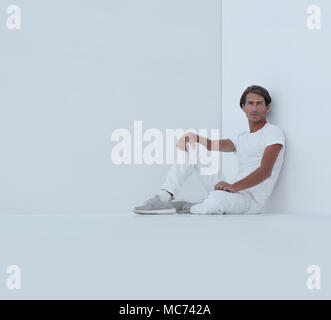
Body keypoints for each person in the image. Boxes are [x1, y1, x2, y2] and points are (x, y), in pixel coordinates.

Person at [133, 85, 286, 215]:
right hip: (231, 191)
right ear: (243, 107)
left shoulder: (273, 132)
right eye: (250, 103)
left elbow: (266, 170)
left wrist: (233, 187)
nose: (254, 108)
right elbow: (212, 145)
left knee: (216, 200)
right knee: (192, 147)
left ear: (267, 107)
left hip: (249, 200)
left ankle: (192, 208)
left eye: (259, 103)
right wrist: (192, 137)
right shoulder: (241, 137)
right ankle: (164, 197)